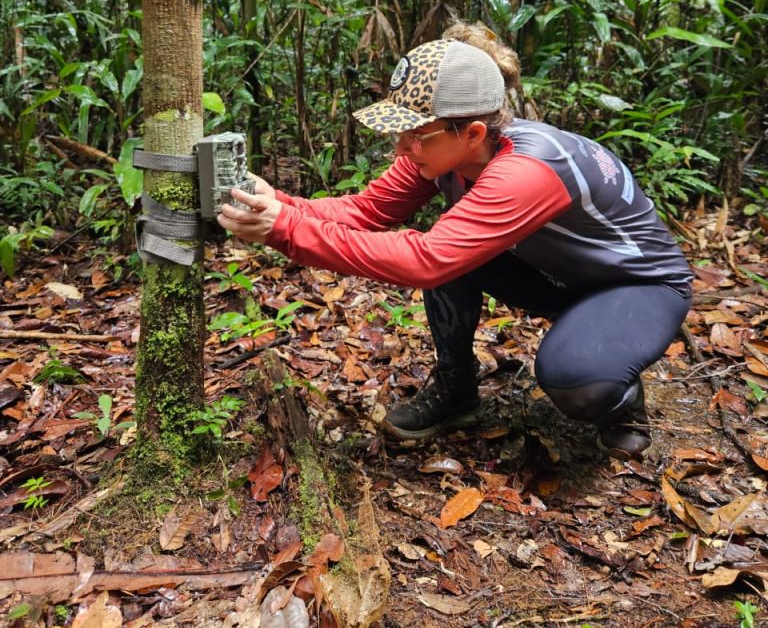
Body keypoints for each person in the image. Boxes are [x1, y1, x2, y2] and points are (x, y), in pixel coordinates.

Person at [218, 25, 692, 458]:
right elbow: (367, 212)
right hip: (559, 277)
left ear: (474, 133)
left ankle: (621, 396)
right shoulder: (440, 152)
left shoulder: (529, 170)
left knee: (575, 382)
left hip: (636, 286)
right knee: (452, 241)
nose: (401, 146)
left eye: (415, 133)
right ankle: (456, 389)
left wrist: (286, 229)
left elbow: (427, 260)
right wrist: (279, 203)